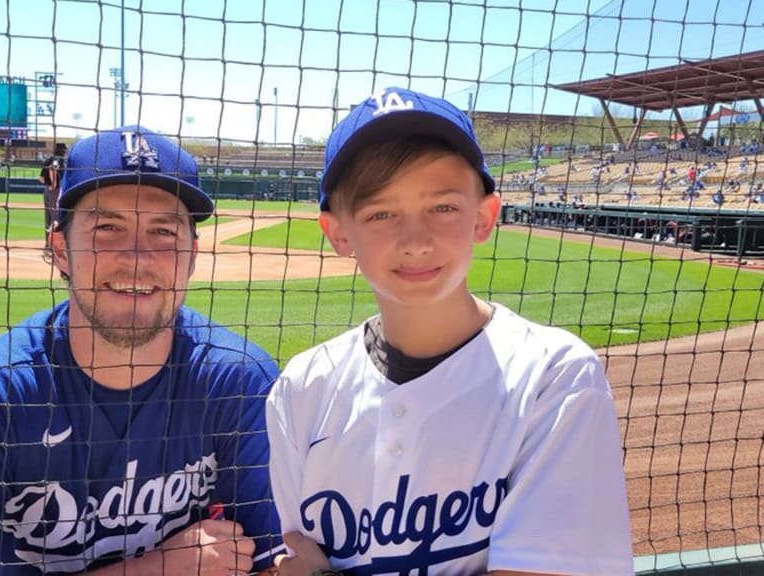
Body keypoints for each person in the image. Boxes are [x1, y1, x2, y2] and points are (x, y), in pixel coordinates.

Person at [0, 126, 284, 575]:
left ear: (192, 254)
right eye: (107, 228)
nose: (138, 256)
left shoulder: (238, 381)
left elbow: (275, 561)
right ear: (61, 251)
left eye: (164, 232)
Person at [266, 87, 633, 575]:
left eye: (442, 208)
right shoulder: (303, 387)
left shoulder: (554, 376)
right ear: (338, 234)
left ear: (484, 217)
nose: (415, 242)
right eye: (381, 213)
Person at [39, 142, 68, 260]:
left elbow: (40, 178)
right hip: (55, 191)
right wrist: (54, 184)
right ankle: (53, 248)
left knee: (49, 219)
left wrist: (48, 185)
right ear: (62, 150)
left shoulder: (48, 159)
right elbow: (53, 169)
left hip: (47, 191)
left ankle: (48, 246)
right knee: (56, 219)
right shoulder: (59, 160)